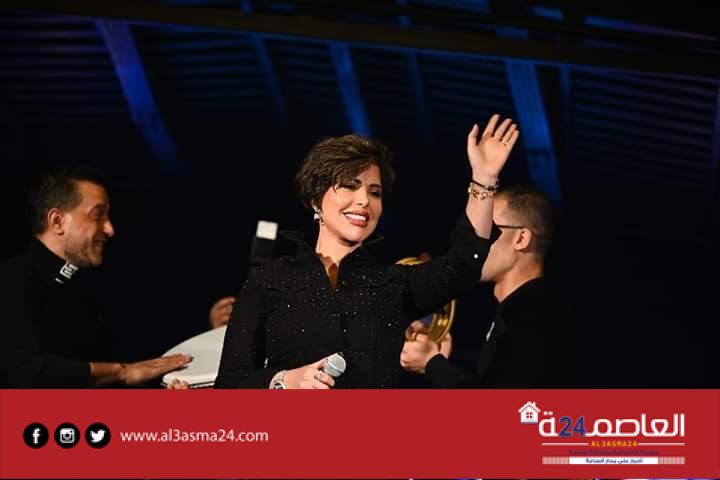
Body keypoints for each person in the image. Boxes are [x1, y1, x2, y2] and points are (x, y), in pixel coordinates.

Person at [214, 114, 519, 389]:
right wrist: (285, 381)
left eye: (374, 192)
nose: (364, 201)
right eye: (349, 185)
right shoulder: (269, 280)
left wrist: (484, 180)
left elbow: (465, 263)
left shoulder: (394, 284)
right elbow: (229, 384)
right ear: (315, 200)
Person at [0, 166, 192, 388]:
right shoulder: (10, 279)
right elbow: (26, 373)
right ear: (57, 221)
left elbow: (119, 378)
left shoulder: (85, 289)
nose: (110, 229)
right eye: (98, 215)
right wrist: (122, 372)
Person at [400, 185, 578, 388]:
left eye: (487, 230)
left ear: (521, 238)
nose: (474, 245)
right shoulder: (517, 309)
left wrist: (432, 364)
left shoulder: (534, 315)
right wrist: (439, 365)